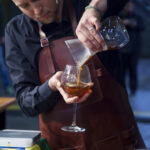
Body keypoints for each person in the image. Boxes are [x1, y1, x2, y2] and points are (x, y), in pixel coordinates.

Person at [5, 0, 145, 149]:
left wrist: (94, 8)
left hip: (115, 140)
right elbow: (26, 104)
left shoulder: (84, 5)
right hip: (59, 145)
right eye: (24, 6)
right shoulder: (17, 31)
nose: (37, 11)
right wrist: (51, 86)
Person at [119, 1, 144, 96]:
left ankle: (133, 90)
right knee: (122, 71)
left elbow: (142, 27)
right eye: (127, 6)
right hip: (122, 49)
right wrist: (124, 23)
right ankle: (122, 89)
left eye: (130, 6)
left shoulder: (137, 16)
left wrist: (134, 24)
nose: (129, 7)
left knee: (133, 70)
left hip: (134, 49)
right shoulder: (120, 16)